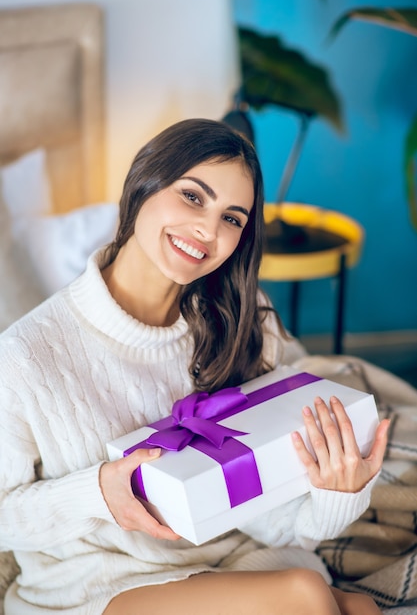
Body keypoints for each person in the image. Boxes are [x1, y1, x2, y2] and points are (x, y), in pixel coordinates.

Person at [0, 118, 389, 615]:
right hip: (97, 585)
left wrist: (337, 492)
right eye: (192, 196)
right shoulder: (24, 357)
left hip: (227, 562)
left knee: (359, 609)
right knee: (306, 596)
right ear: (144, 182)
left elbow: (276, 518)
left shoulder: (242, 323)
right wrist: (97, 492)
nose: (207, 230)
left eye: (232, 218)